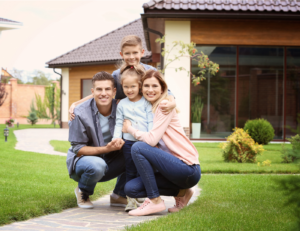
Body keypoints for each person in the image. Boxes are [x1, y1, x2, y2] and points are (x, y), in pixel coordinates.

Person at [122, 69, 201, 216]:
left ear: (163, 88)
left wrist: (130, 129)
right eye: (146, 86)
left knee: (138, 147)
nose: (150, 90)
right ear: (141, 88)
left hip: (187, 168)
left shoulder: (164, 105)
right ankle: (182, 191)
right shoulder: (149, 107)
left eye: (154, 86)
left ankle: (155, 201)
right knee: (131, 188)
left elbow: (151, 140)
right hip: (172, 171)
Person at [69, 35, 176, 118]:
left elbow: (166, 90)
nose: (131, 57)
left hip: (147, 116)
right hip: (125, 117)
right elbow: (102, 91)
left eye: (135, 53)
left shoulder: (150, 71)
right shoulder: (117, 75)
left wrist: (173, 103)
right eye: (127, 54)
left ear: (142, 53)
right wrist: (76, 104)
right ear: (122, 55)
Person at [67, 71, 127, 209]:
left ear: (114, 91)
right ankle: (83, 191)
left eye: (107, 89)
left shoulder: (122, 108)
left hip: (111, 160)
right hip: (84, 163)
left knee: (136, 151)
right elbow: (78, 149)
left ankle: (120, 194)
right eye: (99, 89)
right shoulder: (80, 112)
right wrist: (107, 149)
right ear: (93, 91)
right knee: (97, 165)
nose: (103, 93)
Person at [112, 63, 153, 212]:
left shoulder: (146, 102)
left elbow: (150, 121)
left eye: (133, 87)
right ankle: (130, 200)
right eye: (126, 87)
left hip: (144, 143)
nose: (129, 90)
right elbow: (118, 123)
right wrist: (116, 138)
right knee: (129, 170)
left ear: (140, 86)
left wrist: (150, 138)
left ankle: (143, 197)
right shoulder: (122, 104)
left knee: (143, 170)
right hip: (128, 143)